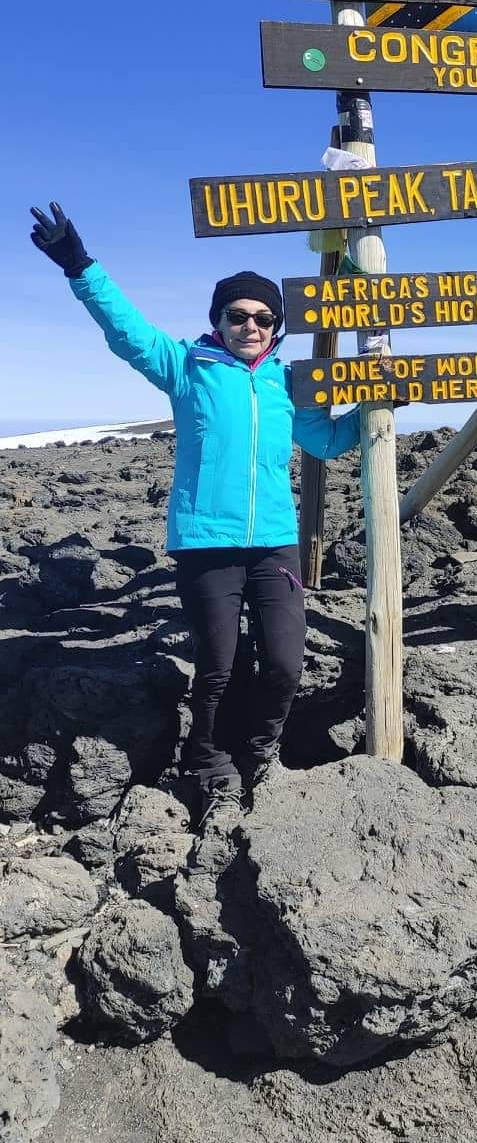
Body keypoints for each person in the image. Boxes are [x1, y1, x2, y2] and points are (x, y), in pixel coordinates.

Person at [30, 202, 361, 830]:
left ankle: (258, 751)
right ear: (218, 320)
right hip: (205, 543)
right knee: (220, 664)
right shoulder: (187, 367)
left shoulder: (289, 385)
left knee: (287, 662)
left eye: (264, 318)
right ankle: (208, 764)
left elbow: (326, 442)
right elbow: (125, 330)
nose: (251, 326)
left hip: (275, 545)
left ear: (276, 327)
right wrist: (80, 265)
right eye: (237, 315)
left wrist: (376, 407)